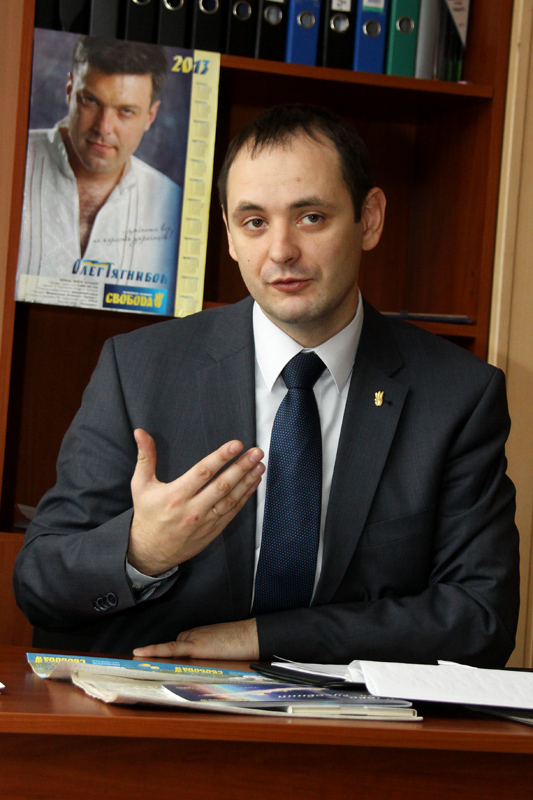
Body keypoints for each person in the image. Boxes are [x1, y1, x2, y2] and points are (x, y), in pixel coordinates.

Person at [13, 104, 520, 667]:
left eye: (311, 217)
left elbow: (481, 617)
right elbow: (39, 582)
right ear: (229, 234)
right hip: (158, 706)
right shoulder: (138, 369)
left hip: (351, 716)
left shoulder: (458, 395)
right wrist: (143, 551)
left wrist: (265, 638)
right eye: (254, 222)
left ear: (370, 219)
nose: (281, 251)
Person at [16, 36, 181, 310]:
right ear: (70, 91)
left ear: (150, 116)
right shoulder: (11, 163)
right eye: (90, 101)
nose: (103, 127)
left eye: (125, 111)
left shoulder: (172, 204)